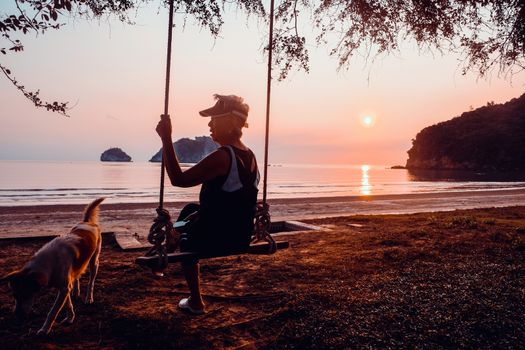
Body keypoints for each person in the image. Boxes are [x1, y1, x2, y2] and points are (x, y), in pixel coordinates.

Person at [155, 94, 260, 314]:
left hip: (218, 238)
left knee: (187, 239)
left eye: (215, 118)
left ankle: (195, 301)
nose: (210, 124)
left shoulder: (223, 157)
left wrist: (166, 138)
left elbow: (179, 180)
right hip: (240, 234)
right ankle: (170, 243)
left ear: (231, 122)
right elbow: (233, 200)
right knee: (191, 210)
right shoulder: (250, 156)